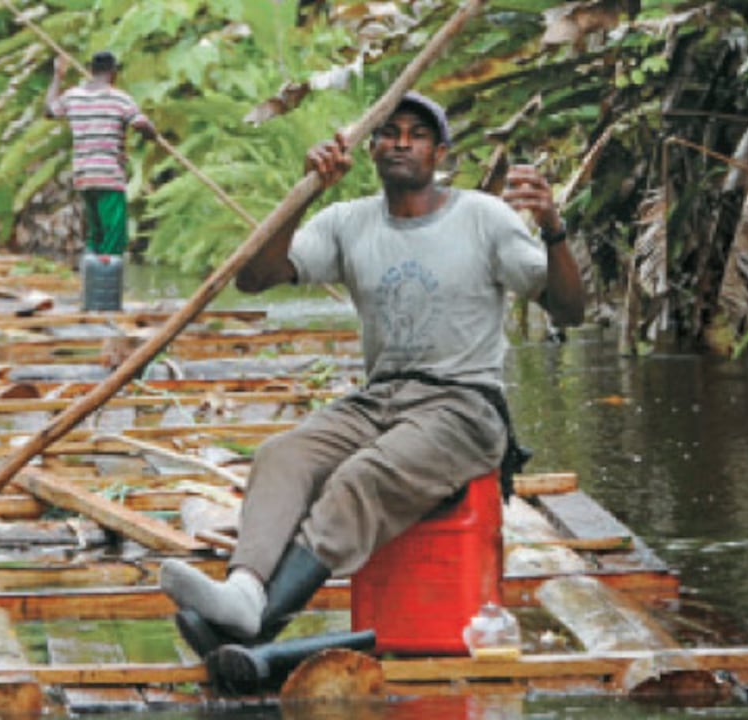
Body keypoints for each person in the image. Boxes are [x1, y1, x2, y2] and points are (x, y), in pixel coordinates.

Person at [159, 92, 585, 668]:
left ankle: (256, 625)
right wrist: (303, 195)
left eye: (417, 133)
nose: (401, 142)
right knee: (283, 455)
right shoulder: (347, 220)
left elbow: (569, 308)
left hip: (462, 406)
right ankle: (245, 590)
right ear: (373, 148)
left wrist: (553, 227)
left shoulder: (483, 218)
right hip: (379, 399)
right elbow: (257, 278)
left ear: (440, 152)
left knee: (361, 477)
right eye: (389, 132)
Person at [46, 50, 156, 255]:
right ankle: (106, 284)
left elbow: (49, 110)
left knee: (95, 235)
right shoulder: (120, 99)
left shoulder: (72, 96)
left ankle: (92, 282)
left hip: (84, 176)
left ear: (90, 70)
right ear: (113, 72)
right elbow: (142, 126)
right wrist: (153, 132)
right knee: (114, 236)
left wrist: (57, 76)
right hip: (108, 176)